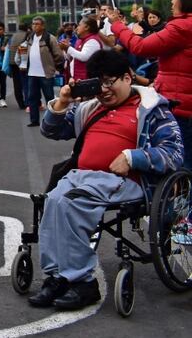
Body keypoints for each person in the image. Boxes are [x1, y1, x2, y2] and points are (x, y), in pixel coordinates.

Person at [28, 49, 183, 310]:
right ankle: (56, 276)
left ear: (127, 77)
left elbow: (174, 153)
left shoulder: (153, 109)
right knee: (53, 201)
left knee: (70, 204)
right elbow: (50, 130)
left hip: (124, 181)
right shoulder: (90, 108)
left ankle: (83, 283)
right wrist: (62, 102)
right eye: (98, 84)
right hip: (81, 176)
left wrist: (134, 157)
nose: (104, 90)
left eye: (110, 82)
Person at [109, 0, 192, 169]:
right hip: (183, 100)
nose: (172, 0)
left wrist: (117, 26)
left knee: (181, 162)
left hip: (180, 105)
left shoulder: (182, 27)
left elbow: (141, 47)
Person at [24, 16, 66, 127]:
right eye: (33, 24)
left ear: (43, 26)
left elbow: (59, 55)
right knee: (32, 98)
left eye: (37, 24)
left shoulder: (50, 38)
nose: (34, 26)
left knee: (49, 98)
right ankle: (34, 120)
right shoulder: (30, 37)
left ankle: (51, 121)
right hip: (32, 73)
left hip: (46, 73)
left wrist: (54, 67)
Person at [59, 16, 101, 84]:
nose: (76, 28)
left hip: (87, 79)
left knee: (64, 93)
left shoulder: (92, 40)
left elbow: (84, 57)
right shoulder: (80, 40)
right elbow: (71, 58)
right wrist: (66, 50)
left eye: (79, 25)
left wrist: (68, 48)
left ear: (87, 27)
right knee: (64, 92)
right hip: (76, 78)